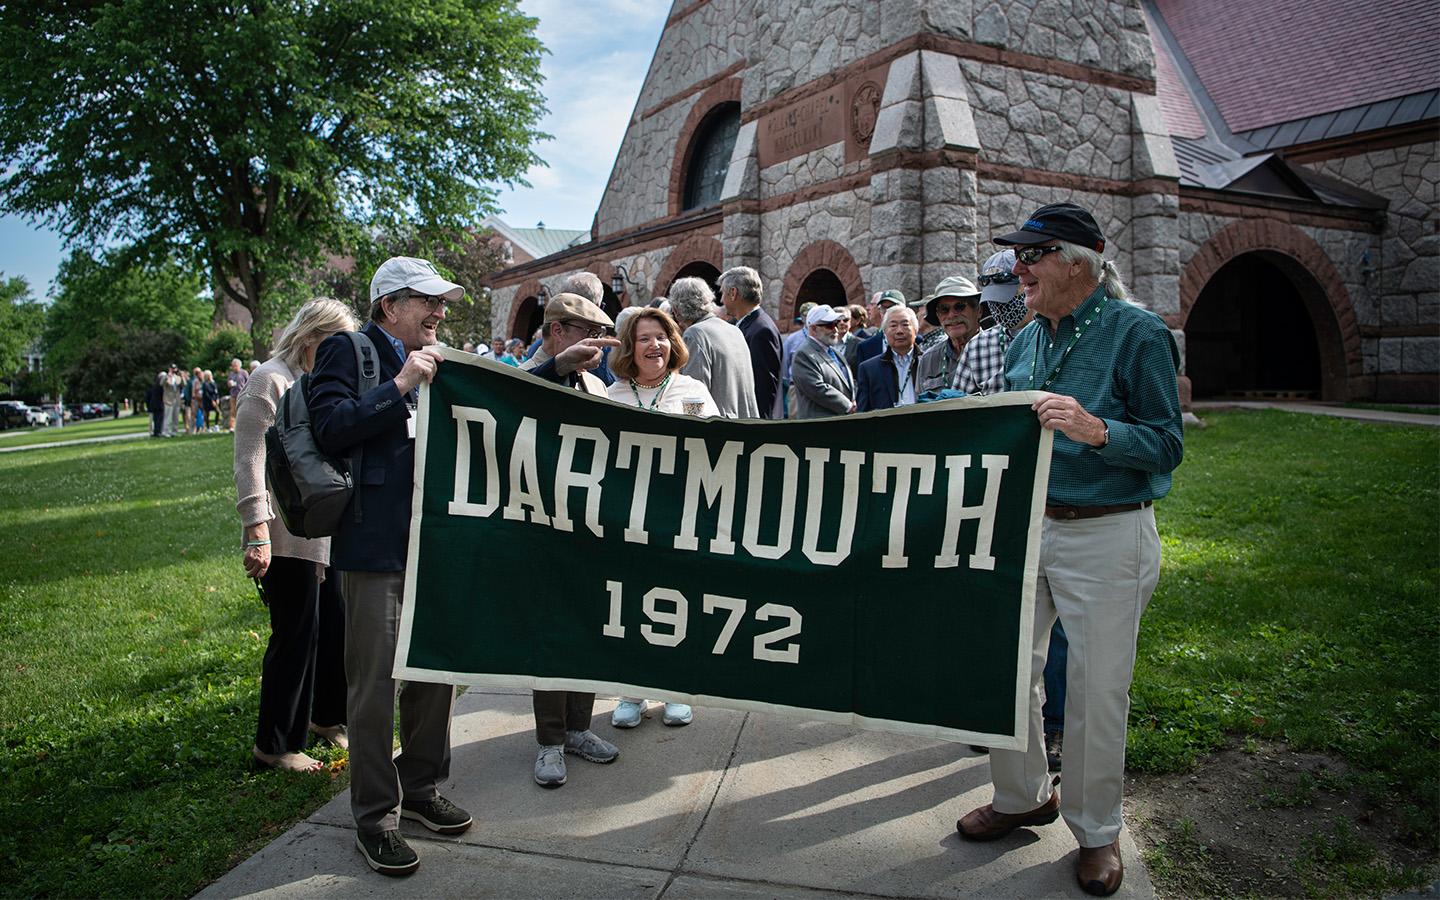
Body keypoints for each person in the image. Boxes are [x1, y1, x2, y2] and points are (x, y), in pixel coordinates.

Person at [954, 203, 1183, 898]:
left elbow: (1168, 443)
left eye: (1033, 254)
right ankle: (1023, 795)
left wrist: (1097, 430)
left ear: (1080, 261)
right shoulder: (1024, 339)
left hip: (1109, 532)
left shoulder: (1137, 333)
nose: (1016, 267)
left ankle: (1096, 830)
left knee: (1095, 690)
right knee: (1005, 669)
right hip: (1029, 529)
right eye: (1015, 256)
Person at [308, 256, 475, 876]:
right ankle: (376, 817)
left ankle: (423, 788)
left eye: (441, 304)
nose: (440, 313)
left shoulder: (440, 357)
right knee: (374, 685)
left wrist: (547, 369)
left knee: (434, 672)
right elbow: (329, 428)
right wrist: (401, 384)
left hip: (432, 544)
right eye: (428, 302)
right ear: (389, 306)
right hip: (372, 548)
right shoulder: (349, 352)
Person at [233, 298, 355, 776]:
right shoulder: (269, 379)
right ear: (310, 337)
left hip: (323, 529)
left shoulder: (318, 381)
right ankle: (275, 744)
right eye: (333, 344)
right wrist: (256, 528)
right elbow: (249, 460)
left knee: (335, 626)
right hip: (284, 534)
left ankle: (327, 716)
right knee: (296, 633)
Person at [517, 291, 623, 789]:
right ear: (557, 331)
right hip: (542, 525)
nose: (595, 345)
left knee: (587, 626)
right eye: (587, 333)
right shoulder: (521, 374)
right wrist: (557, 366)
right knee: (551, 632)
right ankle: (550, 741)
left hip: (589, 525)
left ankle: (580, 726)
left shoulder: (595, 385)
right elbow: (519, 408)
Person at [606, 307, 718, 732]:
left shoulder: (691, 391)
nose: (654, 346)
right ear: (629, 348)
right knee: (630, 600)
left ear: (672, 342)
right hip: (626, 516)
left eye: (661, 337)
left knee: (675, 600)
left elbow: (713, 443)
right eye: (643, 338)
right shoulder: (612, 394)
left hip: (678, 514)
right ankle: (631, 690)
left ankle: (675, 689)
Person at [669, 276, 758, 419]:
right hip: (746, 423)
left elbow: (694, 398)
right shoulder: (735, 330)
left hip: (719, 430)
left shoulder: (695, 334)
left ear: (676, 310)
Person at [954, 250, 1033, 397]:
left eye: (1005, 298)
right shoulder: (977, 346)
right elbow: (957, 404)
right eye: (993, 301)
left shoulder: (1049, 334)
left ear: (1025, 285)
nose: (999, 307)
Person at [718, 266, 783, 419]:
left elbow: (763, 388)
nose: (721, 300)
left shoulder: (761, 331)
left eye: (722, 293)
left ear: (733, 293)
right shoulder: (748, 325)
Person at [916, 276, 983, 394]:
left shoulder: (998, 349)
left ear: (978, 311)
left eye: (960, 307)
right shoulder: (928, 359)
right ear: (938, 316)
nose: (951, 315)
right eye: (944, 309)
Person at [790, 305, 855, 419]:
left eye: (836, 324)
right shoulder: (804, 354)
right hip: (820, 426)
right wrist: (848, 406)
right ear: (814, 328)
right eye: (829, 325)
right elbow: (817, 388)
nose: (835, 329)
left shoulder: (834, 352)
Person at [855, 305, 921, 412]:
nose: (899, 331)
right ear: (884, 332)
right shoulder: (869, 369)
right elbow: (863, 411)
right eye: (893, 326)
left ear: (916, 330)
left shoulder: (928, 361)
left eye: (905, 325)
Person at [853, 289, 905, 369]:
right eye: (883, 308)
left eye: (892, 308)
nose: (888, 312)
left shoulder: (918, 342)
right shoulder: (866, 347)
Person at [226, 358, 248, 432]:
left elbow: (248, 382)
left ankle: (243, 426)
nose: (233, 367)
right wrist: (229, 384)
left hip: (242, 394)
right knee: (233, 411)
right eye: (233, 366)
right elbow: (228, 384)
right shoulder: (231, 374)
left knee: (242, 410)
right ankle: (232, 427)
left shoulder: (244, 373)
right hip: (233, 395)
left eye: (235, 366)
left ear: (239, 365)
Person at [162, 365, 182, 437]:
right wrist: (168, 376)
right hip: (168, 400)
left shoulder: (178, 377)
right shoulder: (166, 377)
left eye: (175, 369)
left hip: (176, 399)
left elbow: (183, 384)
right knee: (168, 417)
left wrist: (181, 375)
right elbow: (162, 383)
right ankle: (165, 431)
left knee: (175, 417)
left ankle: (174, 431)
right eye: (172, 369)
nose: (174, 370)